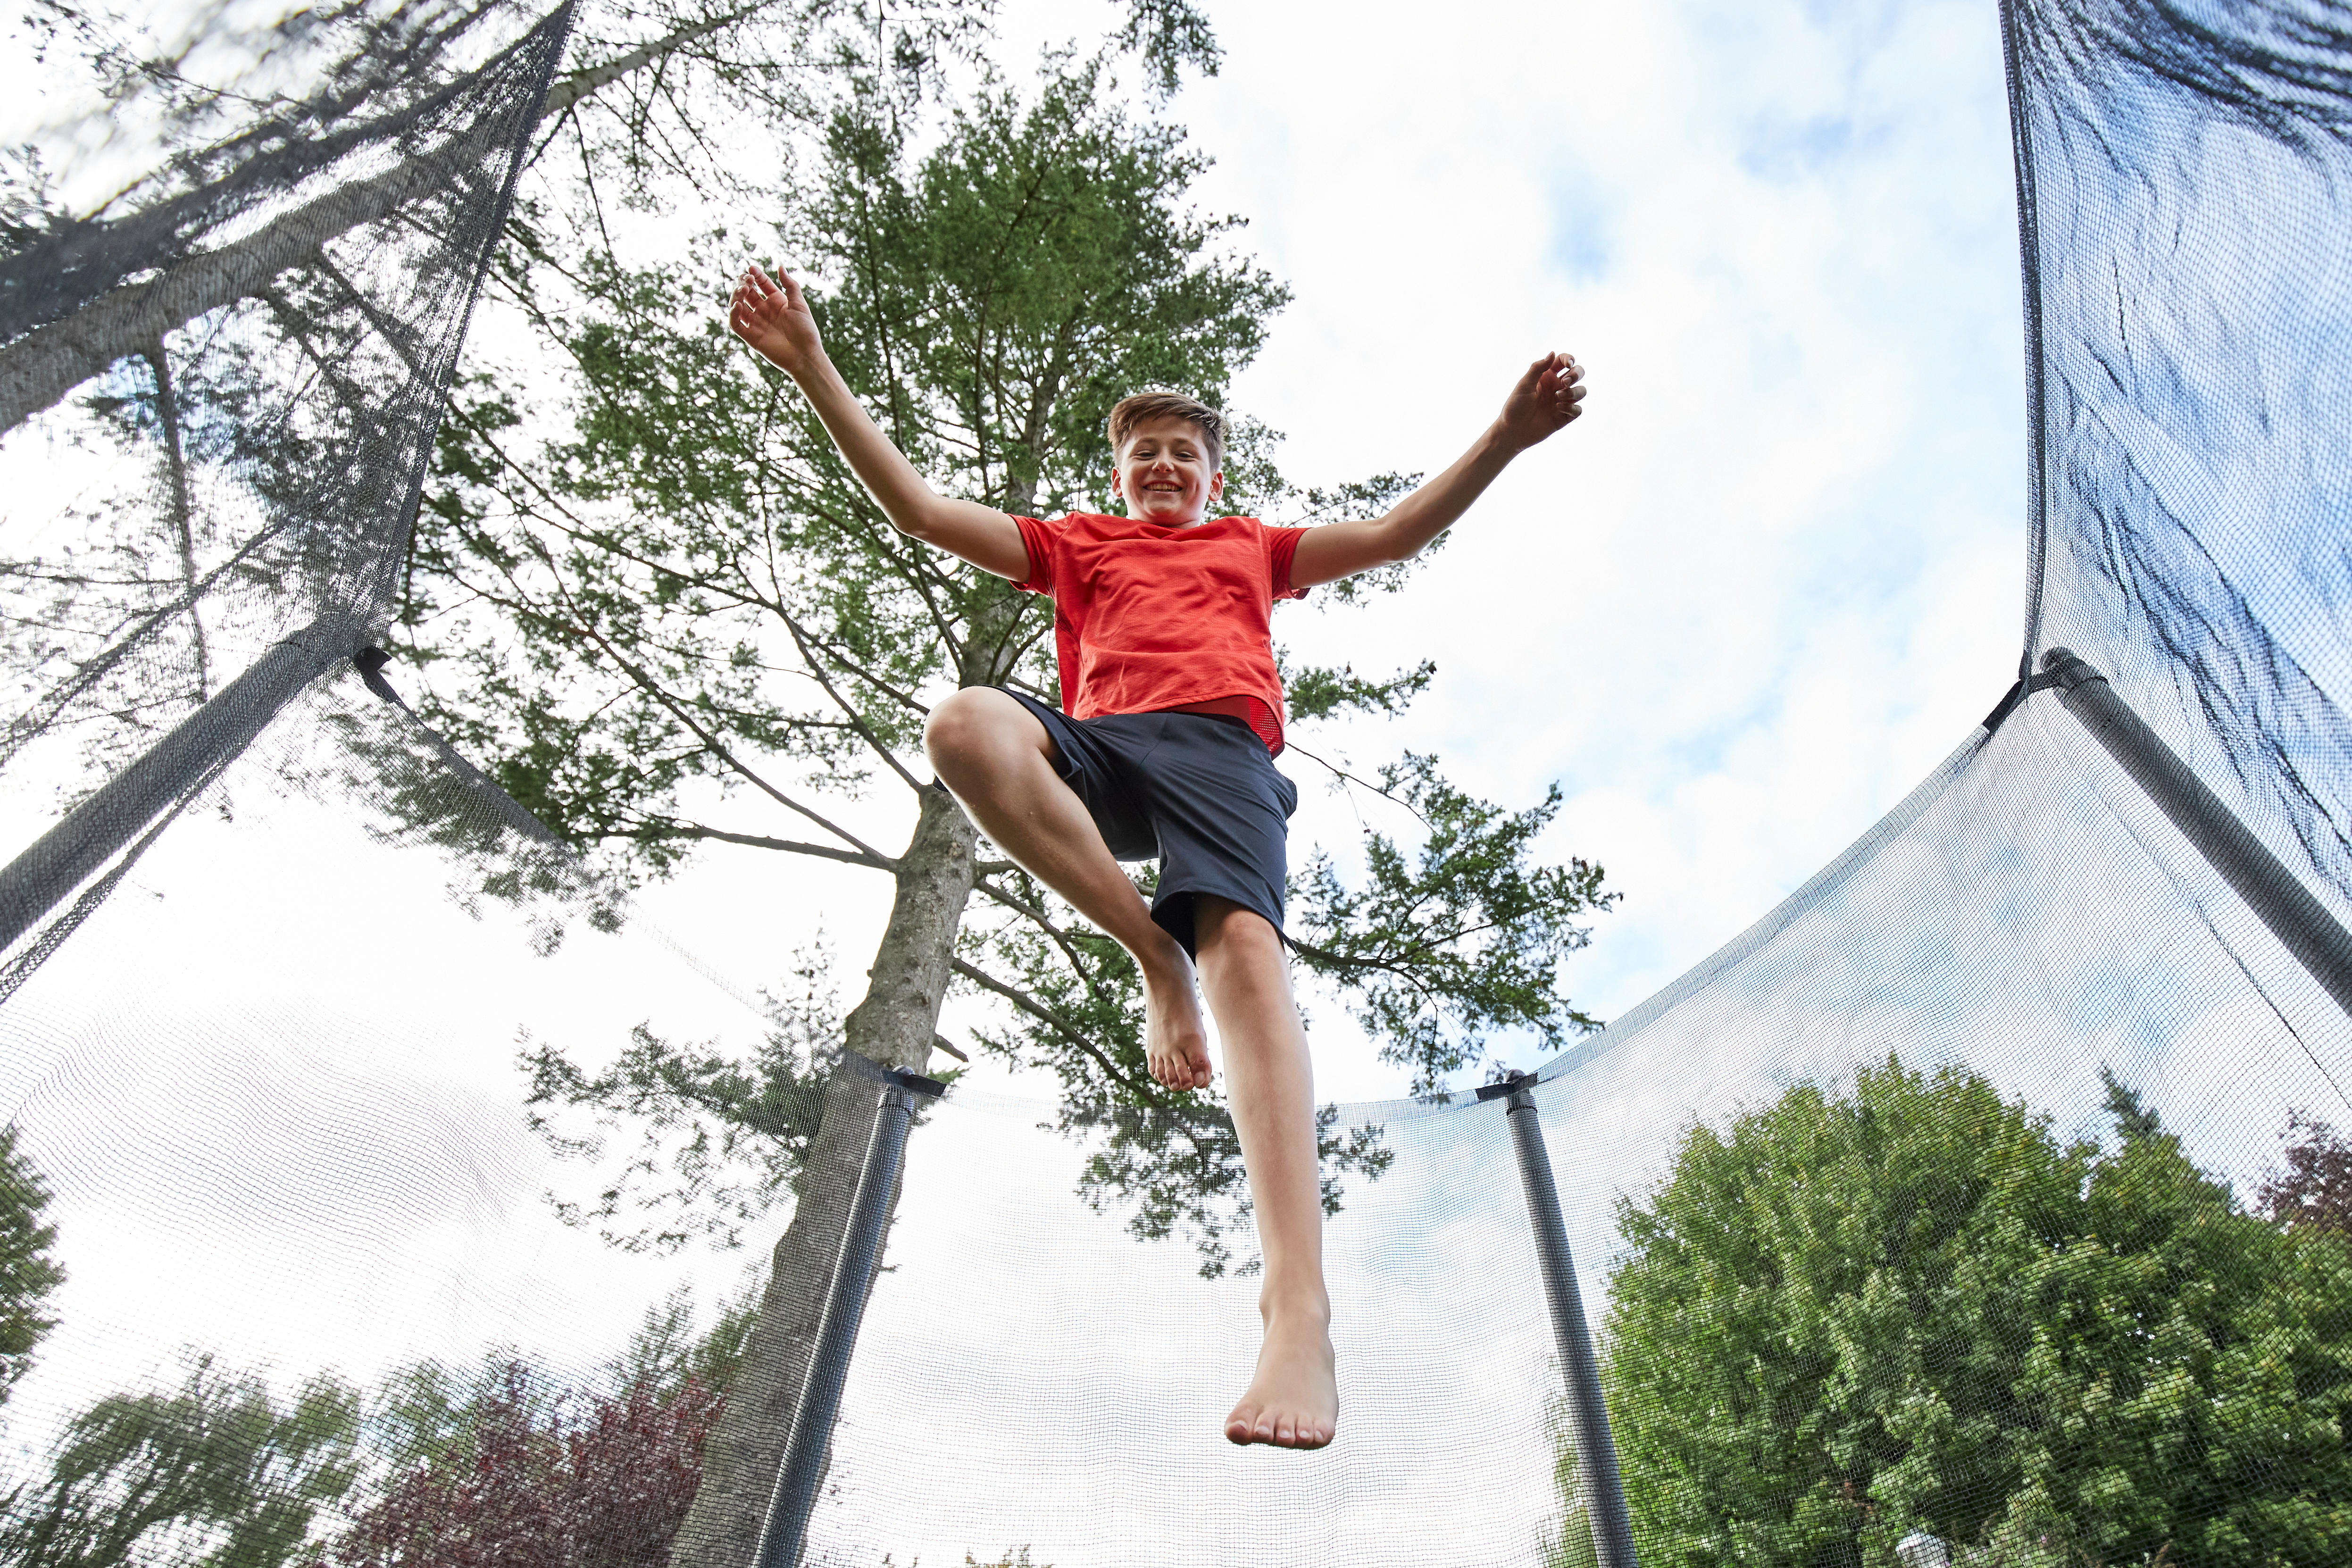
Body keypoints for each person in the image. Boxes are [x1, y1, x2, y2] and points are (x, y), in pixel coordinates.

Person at [727, 262, 1585, 1450]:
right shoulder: (1078, 547)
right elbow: (921, 511)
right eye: (1146, 459)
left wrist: (1506, 436)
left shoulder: (1253, 548)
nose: (1166, 469)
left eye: (1186, 454)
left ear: (1214, 476)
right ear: (1121, 480)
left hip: (1223, 751)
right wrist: (810, 363)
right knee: (966, 723)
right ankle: (1149, 954)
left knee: (1245, 952)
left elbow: (1395, 533)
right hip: (1101, 749)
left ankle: (1297, 1309)